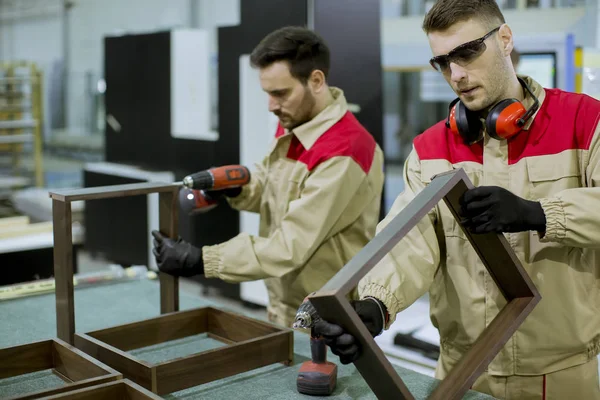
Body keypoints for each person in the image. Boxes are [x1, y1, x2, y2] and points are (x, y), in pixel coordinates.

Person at [313, 0, 600, 399]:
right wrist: (377, 304)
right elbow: (411, 240)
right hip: (462, 370)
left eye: (467, 53)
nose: (457, 75)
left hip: (562, 375)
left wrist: (538, 213)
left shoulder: (584, 121)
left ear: (504, 39)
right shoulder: (431, 147)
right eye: (443, 62)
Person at [152, 26, 385, 328]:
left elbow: (290, 246)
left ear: (316, 80)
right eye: (267, 93)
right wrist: (237, 189)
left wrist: (200, 260)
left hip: (327, 317)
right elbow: (270, 185)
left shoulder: (346, 149)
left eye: (280, 93)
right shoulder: (296, 121)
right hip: (283, 302)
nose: (271, 106)